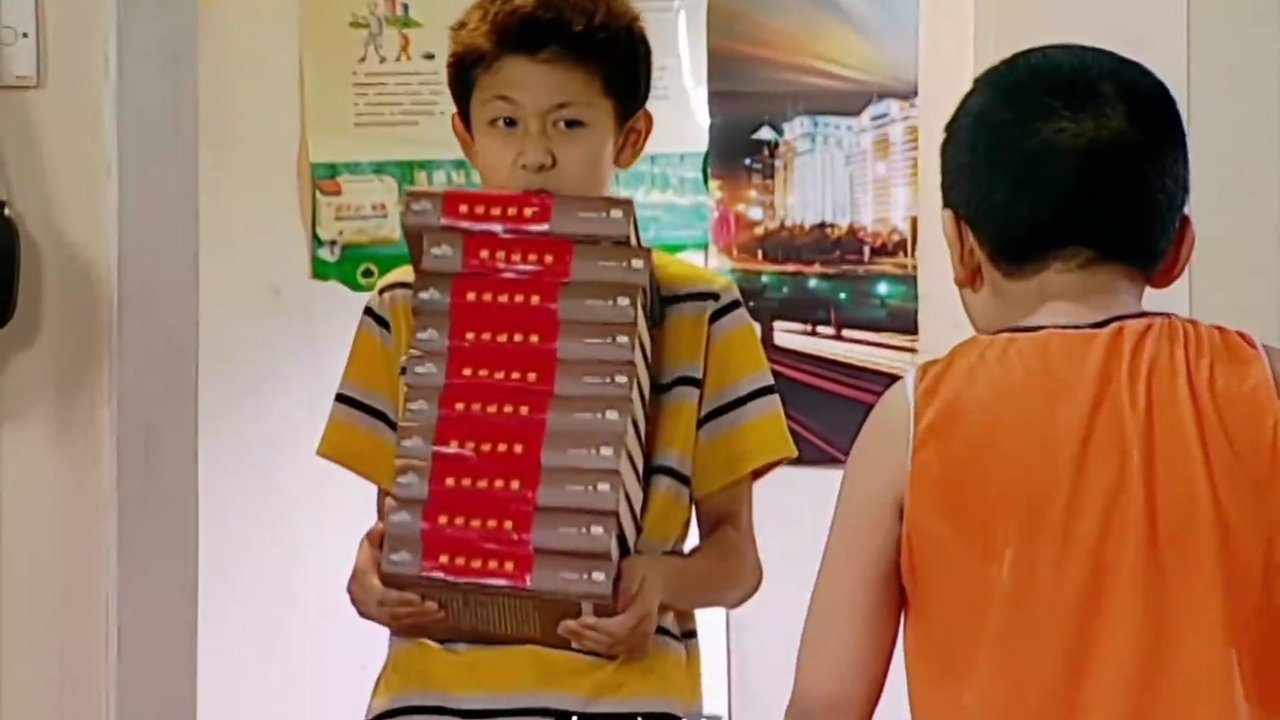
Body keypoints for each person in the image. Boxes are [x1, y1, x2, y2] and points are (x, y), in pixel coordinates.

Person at [317, 1, 797, 718]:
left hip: (624, 701)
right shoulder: (406, 303)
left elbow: (738, 561)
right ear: (465, 135)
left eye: (568, 124)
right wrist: (371, 574)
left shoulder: (699, 310)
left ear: (630, 137)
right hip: (430, 701)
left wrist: (662, 583)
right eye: (505, 122)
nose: (534, 155)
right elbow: (400, 522)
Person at [785, 43, 1280, 720]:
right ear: (1177, 248)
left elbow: (824, 704)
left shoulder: (913, 420)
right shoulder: (1264, 386)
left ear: (961, 247)